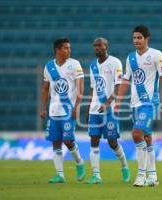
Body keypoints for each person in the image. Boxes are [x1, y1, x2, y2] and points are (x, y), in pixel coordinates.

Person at [114, 25, 162, 187]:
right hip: (134, 103)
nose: (136, 41)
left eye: (139, 37)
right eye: (134, 38)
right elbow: (126, 80)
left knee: (137, 133)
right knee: (146, 137)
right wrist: (118, 101)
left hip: (149, 103)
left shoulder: (156, 55)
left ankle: (141, 175)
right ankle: (153, 176)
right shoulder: (130, 58)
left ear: (147, 39)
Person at [85, 37, 130, 184]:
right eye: (95, 45)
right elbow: (93, 88)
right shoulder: (92, 66)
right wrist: (88, 108)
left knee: (112, 142)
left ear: (106, 46)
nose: (97, 48)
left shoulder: (115, 62)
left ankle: (124, 166)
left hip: (109, 110)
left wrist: (108, 103)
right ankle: (96, 176)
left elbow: (118, 86)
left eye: (100, 45)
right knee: (94, 140)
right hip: (94, 111)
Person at [40, 38, 86, 183]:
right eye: (65, 48)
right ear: (57, 50)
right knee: (56, 142)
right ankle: (60, 175)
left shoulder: (75, 65)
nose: (69, 50)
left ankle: (79, 162)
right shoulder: (49, 66)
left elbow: (80, 87)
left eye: (69, 48)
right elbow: (45, 87)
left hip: (68, 110)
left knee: (68, 140)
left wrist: (77, 106)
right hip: (53, 111)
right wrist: (43, 108)